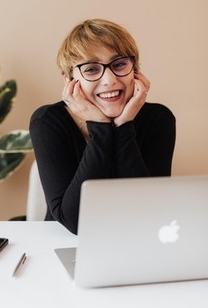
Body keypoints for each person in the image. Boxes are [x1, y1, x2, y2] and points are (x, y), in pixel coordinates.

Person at [29, 18, 176, 235]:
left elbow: (151, 211)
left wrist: (124, 126)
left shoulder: (159, 119)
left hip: (135, 238)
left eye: (119, 64)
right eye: (91, 69)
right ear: (69, 81)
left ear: (135, 71)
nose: (109, 80)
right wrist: (100, 127)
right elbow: (74, 222)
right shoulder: (48, 121)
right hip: (64, 243)